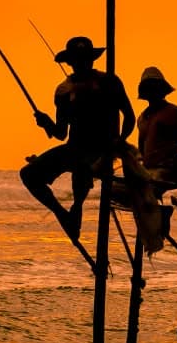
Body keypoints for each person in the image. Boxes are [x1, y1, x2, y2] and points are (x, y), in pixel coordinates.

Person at [20, 35, 135, 238]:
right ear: (70, 62)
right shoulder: (63, 91)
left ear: (91, 60)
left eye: (85, 59)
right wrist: (46, 122)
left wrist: (119, 141)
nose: (81, 64)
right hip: (74, 147)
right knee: (28, 174)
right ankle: (62, 213)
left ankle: (77, 207)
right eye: (77, 60)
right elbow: (60, 133)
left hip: (103, 149)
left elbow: (129, 116)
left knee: (82, 166)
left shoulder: (109, 82)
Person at [135, 66, 177, 189]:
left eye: (155, 86)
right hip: (148, 170)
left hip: (167, 170)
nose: (152, 90)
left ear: (161, 89)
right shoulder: (141, 118)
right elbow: (142, 149)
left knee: (148, 185)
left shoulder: (175, 112)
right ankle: (159, 208)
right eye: (149, 87)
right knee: (117, 188)